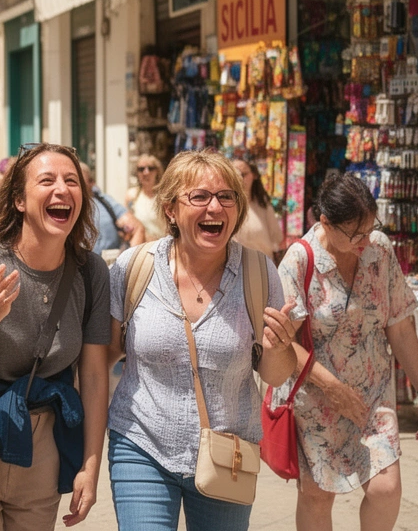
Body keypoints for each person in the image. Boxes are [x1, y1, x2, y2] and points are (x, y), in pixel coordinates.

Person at [106, 149, 300, 531]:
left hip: (229, 455)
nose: (215, 207)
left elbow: (276, 375)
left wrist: (280, 347)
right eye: (199, 196)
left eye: (226, 197)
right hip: (141, 443)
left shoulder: (259, 273)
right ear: (171, 210)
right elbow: (102, 358)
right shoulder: (134, 268)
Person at [0, 144, 111, 529]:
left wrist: (90, 466)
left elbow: (96, 376)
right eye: (46, 180)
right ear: (18, 199)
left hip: (42, 448)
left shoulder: (90, 272)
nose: (62, 190)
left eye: (72, 181)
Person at [278, 173, 418, 531]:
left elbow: (398, 323)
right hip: (315, 398)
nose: (365, 241)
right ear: (325, 223)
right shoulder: (298, 261)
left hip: (372, 393)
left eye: (370, 229)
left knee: (387, 488)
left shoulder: (380, 250)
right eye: (355, 234)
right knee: (318, 496)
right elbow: (284, 343)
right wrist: (331, 388)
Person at [82, 162, 145, 256]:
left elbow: (137, 228)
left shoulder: (105, 202)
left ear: (91, 182)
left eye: (80, 180)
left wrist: (128, 264)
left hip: (110, 266)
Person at [232, 159, 284, 258]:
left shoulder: (262, 204)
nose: (239, 178)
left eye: (243, 174)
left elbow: (277, 237)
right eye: (234, 174)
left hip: (263, 267)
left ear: (254, 175)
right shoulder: (224, 205)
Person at [126, 154, 167, 239]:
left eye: (150, 168)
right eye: (141, 169)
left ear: (157, 171)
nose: (146, 172)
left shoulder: (165, 195)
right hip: (140, 247)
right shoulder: (132, 196)